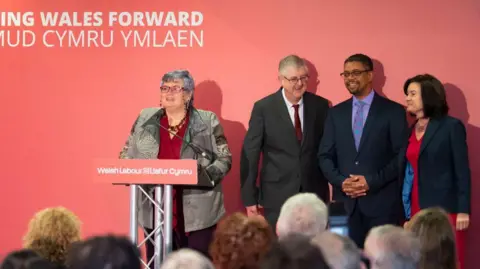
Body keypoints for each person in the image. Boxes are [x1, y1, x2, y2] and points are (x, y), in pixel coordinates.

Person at [119, 70, 232, 264]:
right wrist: (125, 168)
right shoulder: (146, 118)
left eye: (175, 88)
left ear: (188, 94)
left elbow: (224, 158)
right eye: (164, 88)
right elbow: (126, 154)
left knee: (196, 265)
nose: (168, 93)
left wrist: (206, 176)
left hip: (197, 212)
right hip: (153, 208)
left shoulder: (207, 120)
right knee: (158, 264)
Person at [318, 53, 408, 248]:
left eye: (356, 73)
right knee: (341, 259)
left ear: (370, 75)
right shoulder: (335, 113)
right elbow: (324, 156)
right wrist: (342, 182)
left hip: (382, 205)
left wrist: (371, 182)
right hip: (342, 205)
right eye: (346, 74)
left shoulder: (393, 111)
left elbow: (400, 156)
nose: (350, 78)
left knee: (383, 260)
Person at [240, 54, 330, 228]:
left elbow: (326, 149)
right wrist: (249, 198)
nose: (299, 84)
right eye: (293, 79)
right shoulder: (264, 108)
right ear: (281, 79)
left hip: (314, 194)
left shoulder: (321, 106)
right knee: (281, 251)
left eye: (304, 78)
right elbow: (250, 154)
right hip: (276, 196)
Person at [400, 74, 471, 269]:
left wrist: (464, 210)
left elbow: (462, 170)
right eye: (407, 94)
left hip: (447, 210)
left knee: (447, 261)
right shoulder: (411, 129)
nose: (407, 98)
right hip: (415, 208)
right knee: (420, 261)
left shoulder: (451, 127)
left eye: (413, 93)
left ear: (428, 95)